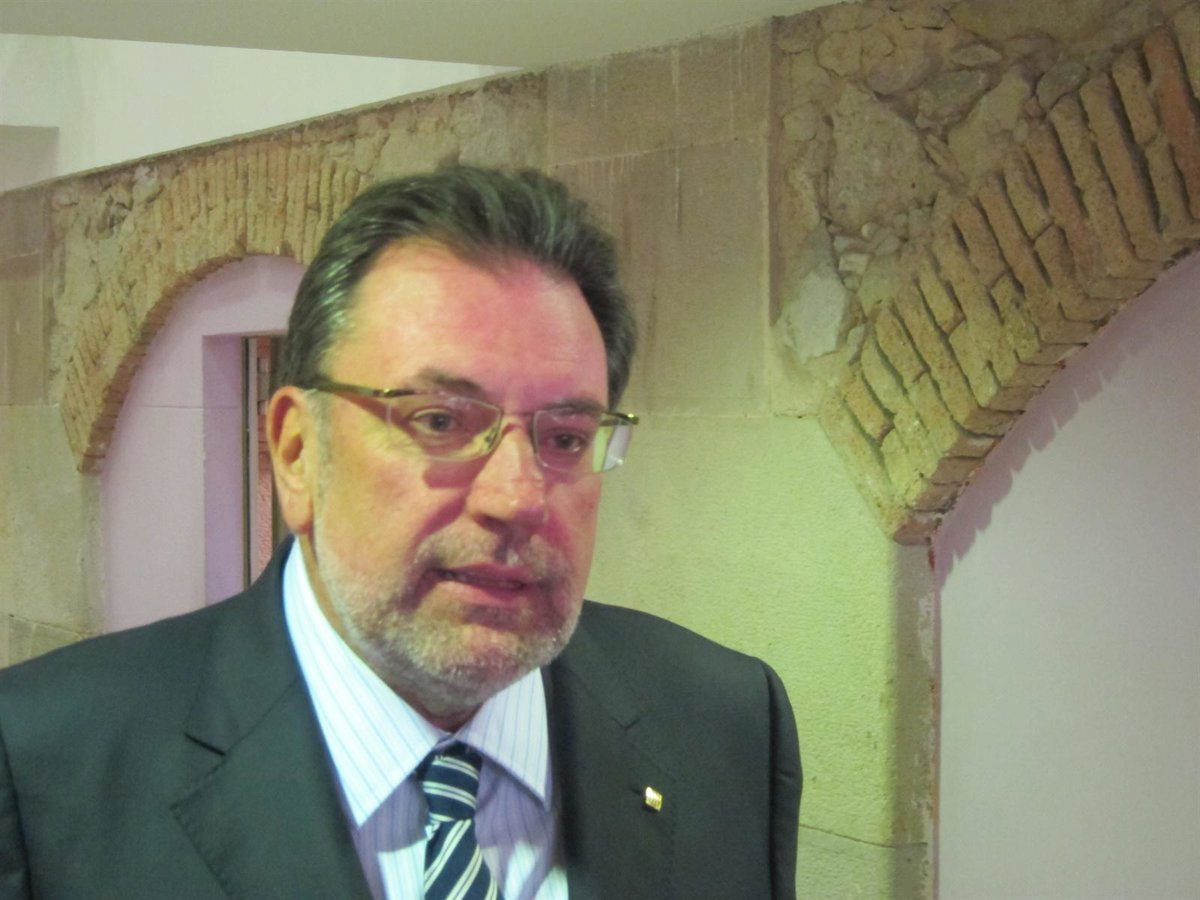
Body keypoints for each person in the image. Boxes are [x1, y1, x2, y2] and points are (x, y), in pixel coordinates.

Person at [0, 166, 800, 899]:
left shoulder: (722, 725)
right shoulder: (44, 769)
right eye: (440, 421)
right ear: (297, 452)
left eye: (565, 436)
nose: (517, 497)